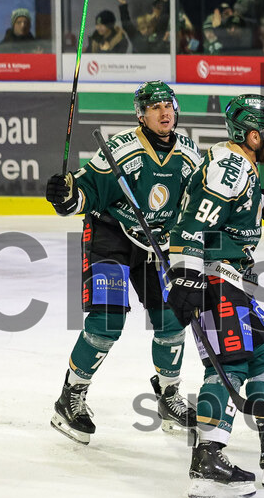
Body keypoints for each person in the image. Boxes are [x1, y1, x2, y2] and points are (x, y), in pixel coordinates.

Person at [165, 94, 264, 498]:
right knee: (229, 363)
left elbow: (227, 209)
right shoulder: (229, 169)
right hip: (211, 278)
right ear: (252, 135)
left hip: (230, 278)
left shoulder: (239, 164)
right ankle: (207, 460)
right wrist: (185, 279)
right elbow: (193, 225)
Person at [44, 81, 202, 444]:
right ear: (141, 115)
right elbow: (84, 192)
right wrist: (66, 196)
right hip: (110, 236)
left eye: (169, 106)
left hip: (156, 243)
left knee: (172, 317)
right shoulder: (121, 149)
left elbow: (202, 199)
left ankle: (168, 396)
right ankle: (71, 397)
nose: (165, 112)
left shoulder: (191, 155)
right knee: (107, 319)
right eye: (155, 107)